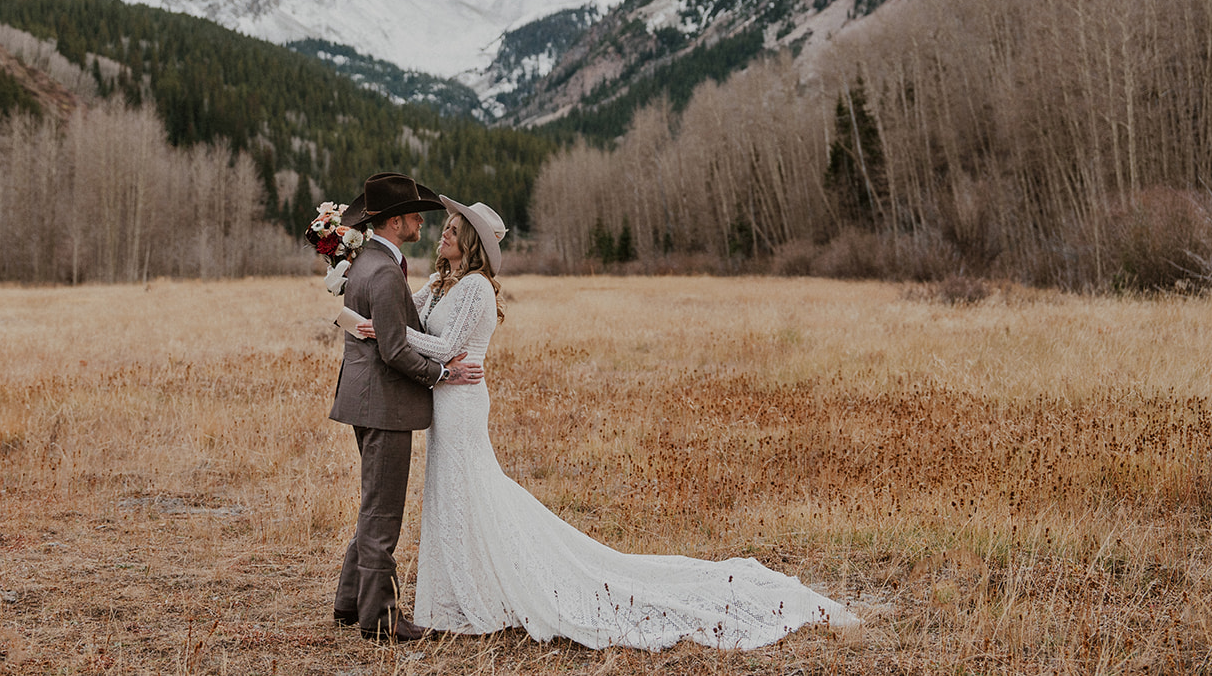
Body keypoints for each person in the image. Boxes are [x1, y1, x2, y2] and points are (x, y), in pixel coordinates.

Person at [355, 197, 856, 650]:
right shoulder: (440, 284)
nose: (442, 233)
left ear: (469, 243)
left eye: (453, 229)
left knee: (470, 490)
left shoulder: (477, 290)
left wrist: (387, 334)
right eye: (445, 227)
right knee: (451, 494)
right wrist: (384, 322)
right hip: (444, 397)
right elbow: (411, 319)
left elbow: (443, 347)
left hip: (461, 398)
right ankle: (460, 591)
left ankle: (486, 591)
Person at [329, 172, 484, 642]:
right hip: (384, 405)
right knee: (383, 512)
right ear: (395, 223)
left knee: (373, 504)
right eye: (416, 214)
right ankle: (379, 619)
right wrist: (443, 374)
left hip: (367, 400)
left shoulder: (366, 262)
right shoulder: (380, 270)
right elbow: (394, 350)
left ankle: (350, 601)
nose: (423, 222)